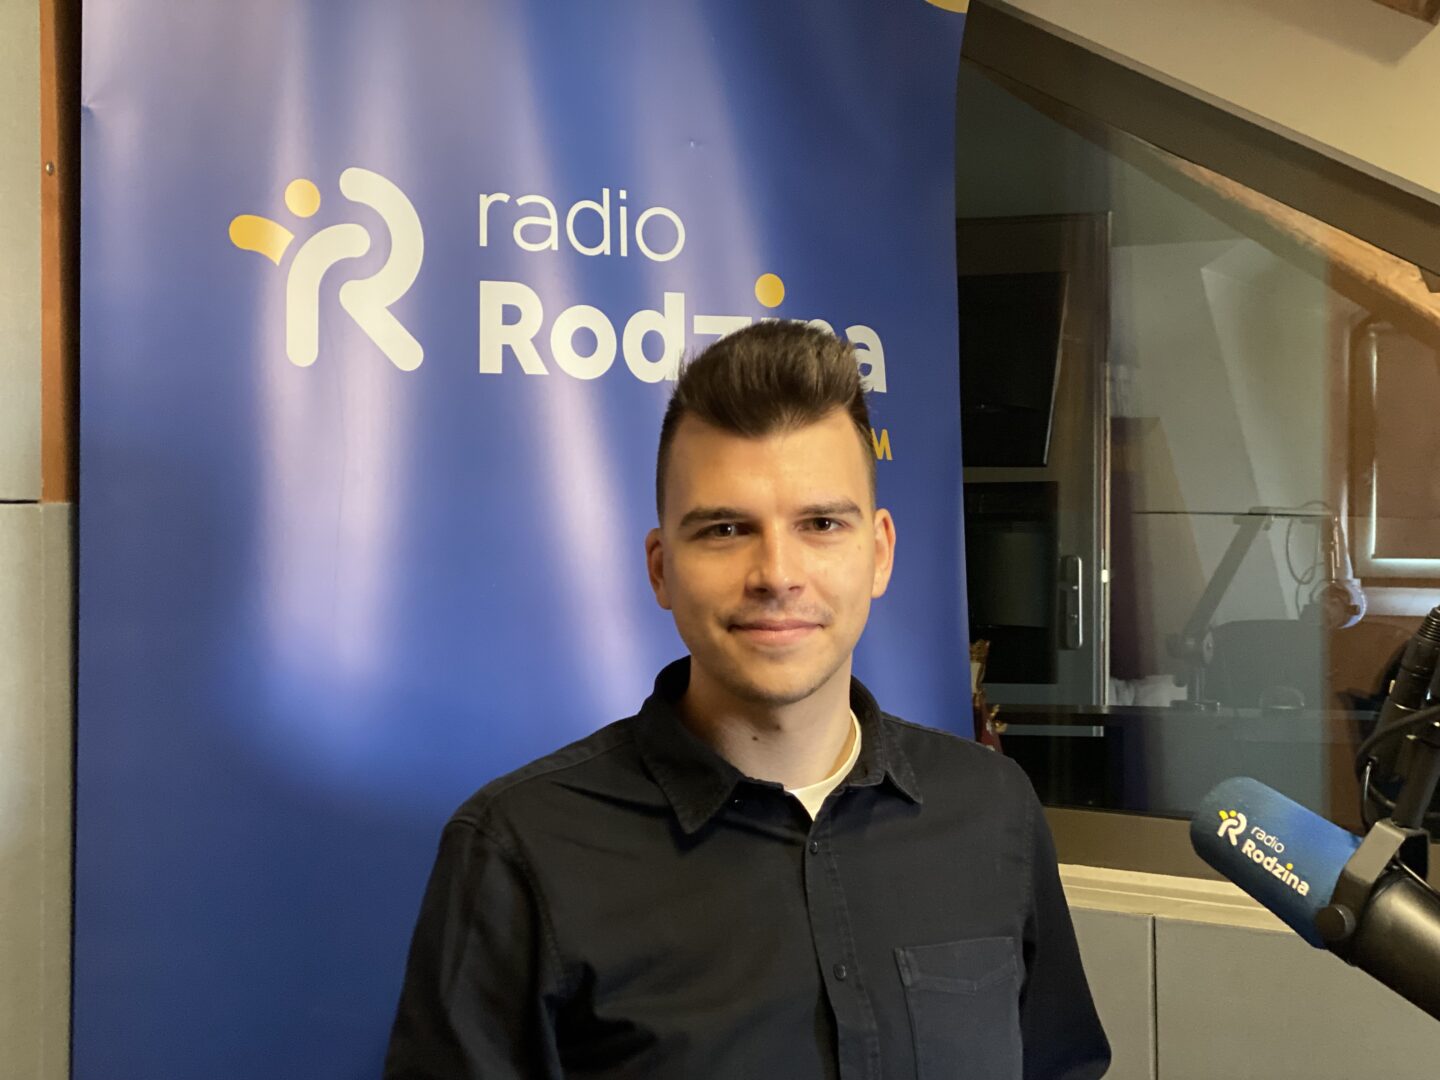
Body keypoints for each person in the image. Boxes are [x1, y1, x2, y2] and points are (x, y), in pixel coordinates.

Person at [384, 321, 1111, 1079]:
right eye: (726, 529)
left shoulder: (992, 809)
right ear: (661, 570)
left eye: (821, 524)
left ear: (879, 553)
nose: (777, 574)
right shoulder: (519, 852)